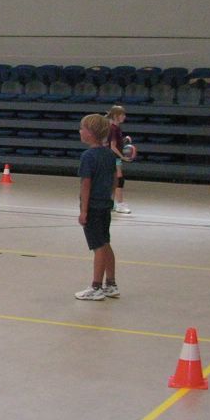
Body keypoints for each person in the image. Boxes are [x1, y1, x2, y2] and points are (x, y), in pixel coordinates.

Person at [74, 114, 119, 301]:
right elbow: (115, 179)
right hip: (105, 205)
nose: (80, 131)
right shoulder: (110, 154)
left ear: (90, 133)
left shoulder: (88, 156)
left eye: (82, 128)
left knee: (98, 246)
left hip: (92, 207)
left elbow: (86, 184)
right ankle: (111, 284)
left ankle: (96, 287)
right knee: (106, 242)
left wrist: (84, 211)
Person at [106, 105, 132, 214]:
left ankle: (111, 203)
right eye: (122, 115)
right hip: (113, 158)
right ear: (116, 116)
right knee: (119, 180)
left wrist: (125, 139)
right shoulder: (113, 128)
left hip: (114, 158)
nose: (124, 117)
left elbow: (117, 143)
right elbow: (112, 146)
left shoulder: (116, 128)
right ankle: (120, 204)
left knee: (113, 181)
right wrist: (122, 157)